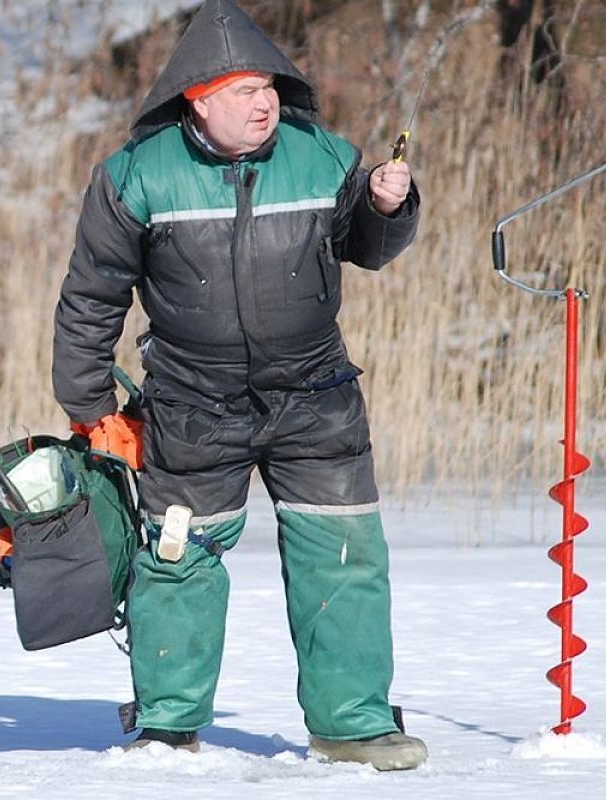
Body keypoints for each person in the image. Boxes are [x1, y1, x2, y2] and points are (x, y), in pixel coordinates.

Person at [52, 0, 426, 771]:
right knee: (177, 561)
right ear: (198, 99)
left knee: (344, 555)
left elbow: (369, 247)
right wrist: (90, 408)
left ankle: (354, 725)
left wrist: (389, 207)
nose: (263, 103)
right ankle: (167, 724)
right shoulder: (135, 177)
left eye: (267, 86)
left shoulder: (321, 155)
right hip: (192, 406)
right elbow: (91, 298)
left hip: (318, 397)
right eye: (243, 91)